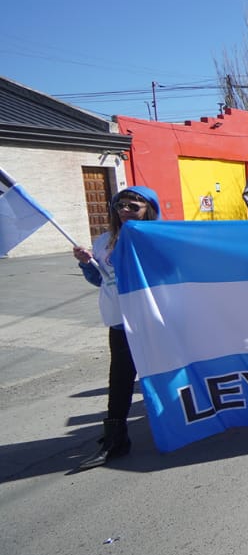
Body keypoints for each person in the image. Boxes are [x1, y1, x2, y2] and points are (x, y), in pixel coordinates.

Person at [70, 186, 162, 469]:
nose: (125, 210)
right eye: (120, 204)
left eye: (134, 206)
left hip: (154, 320)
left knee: (163, 372)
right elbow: (102, 281)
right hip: (120, 322)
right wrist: (87, 265)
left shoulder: (159, 239)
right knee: (121, 379)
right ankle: (116, 438)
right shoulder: (104, 242)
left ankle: (181, 419)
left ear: (148, 210)